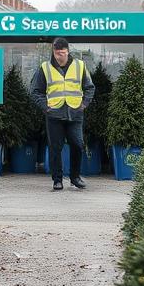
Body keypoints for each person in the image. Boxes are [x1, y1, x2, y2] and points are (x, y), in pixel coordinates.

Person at [30, 37, 95, 191]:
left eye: (63, 53)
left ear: (68, 52)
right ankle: (57, 180)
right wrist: (45, 107)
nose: (60, 56)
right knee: (55, 148)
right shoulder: (45, 68)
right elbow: (35, 91)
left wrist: (84, 104)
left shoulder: (80, 66)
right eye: (58, 53)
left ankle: (75, 177)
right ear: (53, 52)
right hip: (54, 114)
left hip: (75, 113)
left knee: (78, 145)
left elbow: (90, 87)